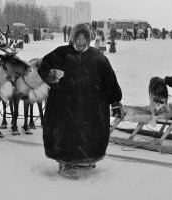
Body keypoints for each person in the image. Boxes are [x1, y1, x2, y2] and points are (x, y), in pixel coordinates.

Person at [37, 23, 123, 180]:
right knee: (66, 134)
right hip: (65, 105)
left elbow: (110, 81)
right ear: (72, 39)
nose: (81, 42)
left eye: (84, 38)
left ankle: (83, 159)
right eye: (78, 38)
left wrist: (115, 101)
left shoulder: (98, 57)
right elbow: (43, 66)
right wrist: (52, 74)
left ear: (89, 39)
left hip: (89, 106)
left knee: (87, 134)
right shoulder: (62, 53)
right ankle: (65, 164)